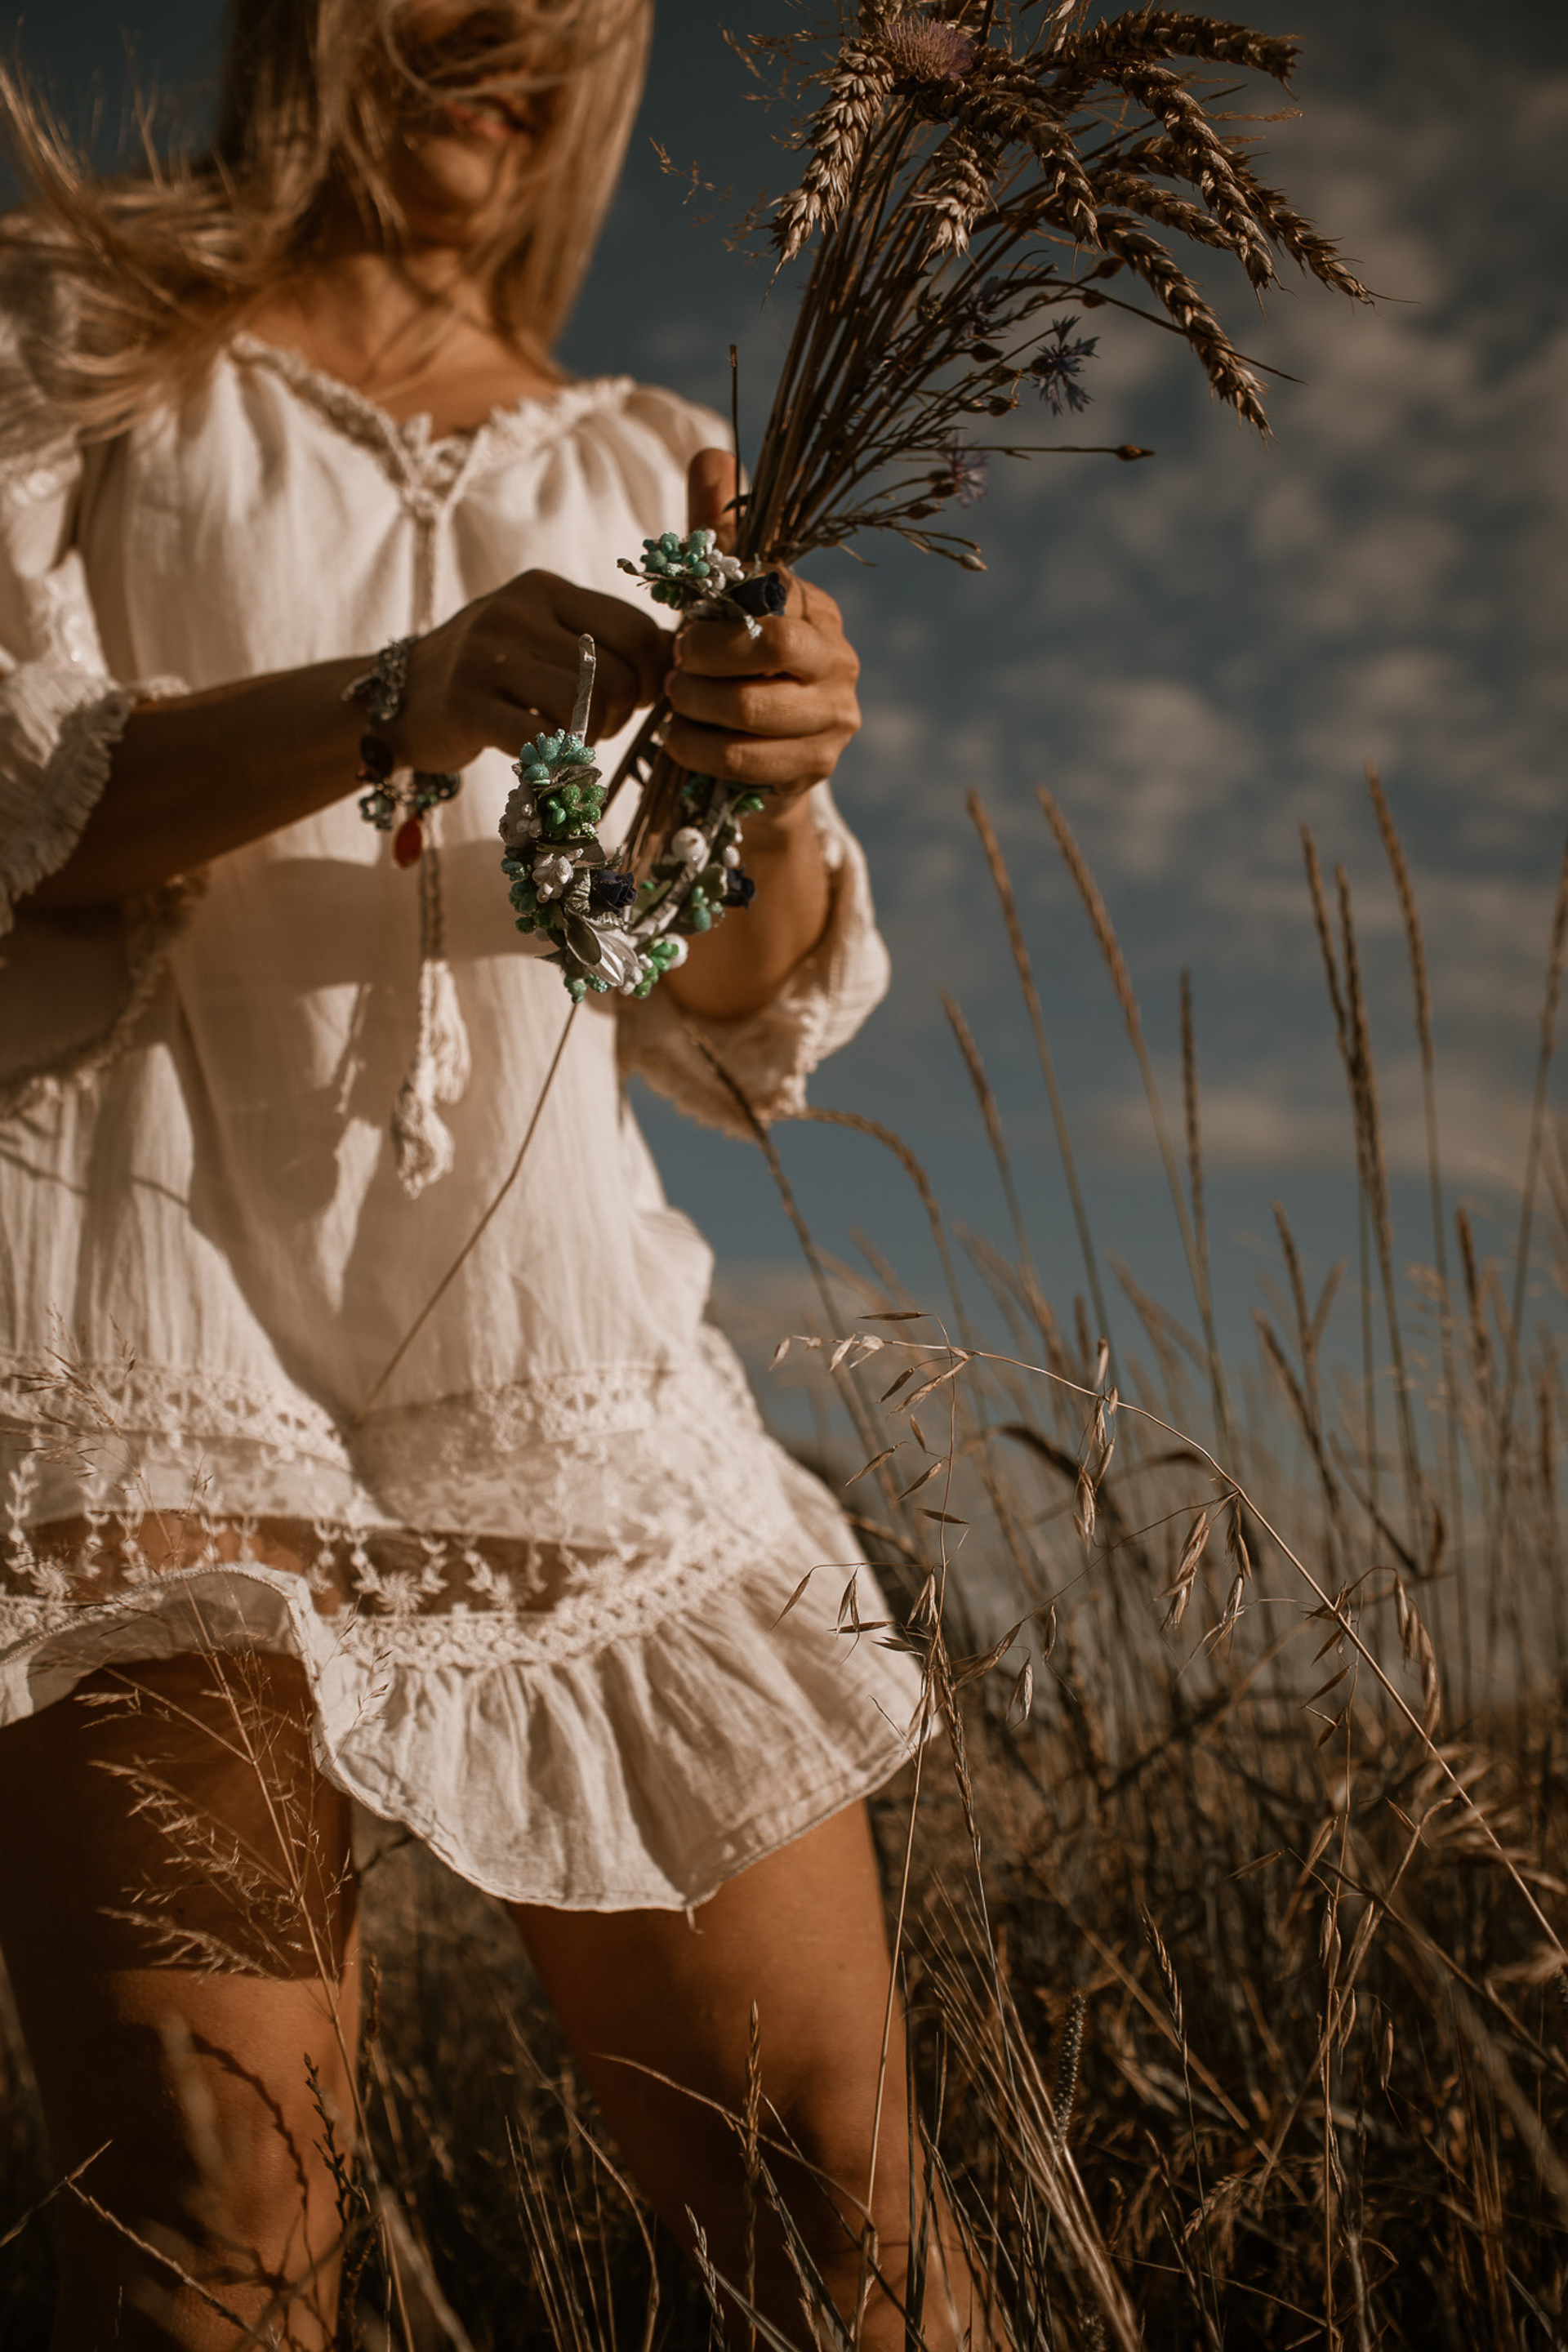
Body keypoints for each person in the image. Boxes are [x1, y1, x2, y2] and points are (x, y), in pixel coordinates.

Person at [0, 3, 975, 2345]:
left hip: (565, 1378)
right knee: (223, 2224)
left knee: (840, 2218)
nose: (509, 28)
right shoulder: (87, 343)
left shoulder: (650, 451)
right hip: (158, 1376)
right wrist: (396, 697)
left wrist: (754, 768)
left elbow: (731, 1019)